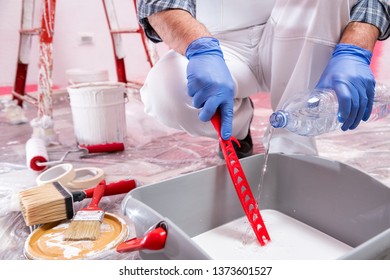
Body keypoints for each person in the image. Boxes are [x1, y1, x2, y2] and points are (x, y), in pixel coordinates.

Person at [136, 0, 390, 157]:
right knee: (167, 90)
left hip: (303, 37)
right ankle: (237, 128)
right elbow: (158, 2)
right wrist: (201, 49)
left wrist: (354, 50)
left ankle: (292, 147)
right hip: (217, 41)